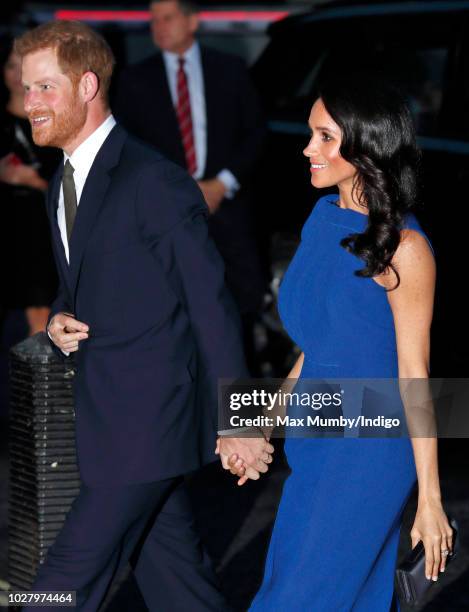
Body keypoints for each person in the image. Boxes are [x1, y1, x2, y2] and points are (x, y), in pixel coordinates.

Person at [16, 20, 273, 612]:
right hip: (106, 426)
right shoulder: (61, 183)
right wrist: (59, 319)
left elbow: (212, 306)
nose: (31, 104)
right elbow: (81, 285)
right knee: (178, 582)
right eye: (27, 90)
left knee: (59, 585)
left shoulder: (153, 181)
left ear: (86, 86)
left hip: (145, 427)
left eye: (44, 88)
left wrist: (240, 419)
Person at [228, 74, 453, 611]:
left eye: (325, 137)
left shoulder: (405, 248)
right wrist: (263, 420)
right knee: (326, 594)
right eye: (311, 134)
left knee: (297, 598)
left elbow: (415, 374)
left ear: (367, 142)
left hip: (370, 450)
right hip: (318, 438)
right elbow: (316, 348)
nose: (308, 148)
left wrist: (430, 497)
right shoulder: (322, 219)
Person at [114, 0, 267, 370]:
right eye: (153, 20)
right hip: (167, 217)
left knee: (237, 312)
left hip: (227, 210)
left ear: (192, 21)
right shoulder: (136, 79)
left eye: (167, 18)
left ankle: (239, 416)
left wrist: (222, 183)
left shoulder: (229, 69)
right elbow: (128, 148)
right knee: (175, 314)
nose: (158, 27)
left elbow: (256, 133)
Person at [0, 35, 59, 335]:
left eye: (24, 66)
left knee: (42, 321)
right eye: (11, 66)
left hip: (44, 234)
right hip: (9, 233)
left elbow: (70, 187)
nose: (17, 74)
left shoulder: (54, 122)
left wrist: (32, 181)